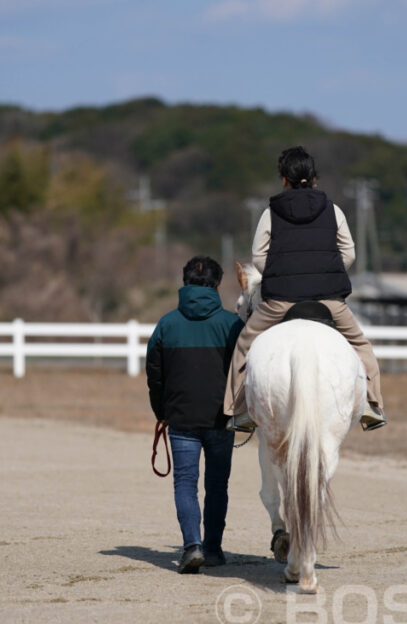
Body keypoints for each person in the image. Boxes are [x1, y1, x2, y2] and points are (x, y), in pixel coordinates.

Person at [223, 146, 387, 432]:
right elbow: (348, 254)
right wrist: (327, 271)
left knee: (244, 345)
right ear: (314, 178)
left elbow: (259, 258)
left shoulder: (270, 212)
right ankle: (373, 406)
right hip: (329, 300)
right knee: (362, 347)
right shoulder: (333, 210)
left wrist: (279, 271)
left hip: (280, 301)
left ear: (284, 179)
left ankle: (237, 410)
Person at [146, 256, 244, 573]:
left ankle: (192, 546)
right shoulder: (233, 325)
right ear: (217, 285)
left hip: (181, 420)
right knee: (217, 486)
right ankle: (213, 548)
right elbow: (245, 373)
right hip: (220, 419)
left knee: (185, 484)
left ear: (185, 283)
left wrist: (162, 411)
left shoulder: (166, 324)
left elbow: (154, 375)